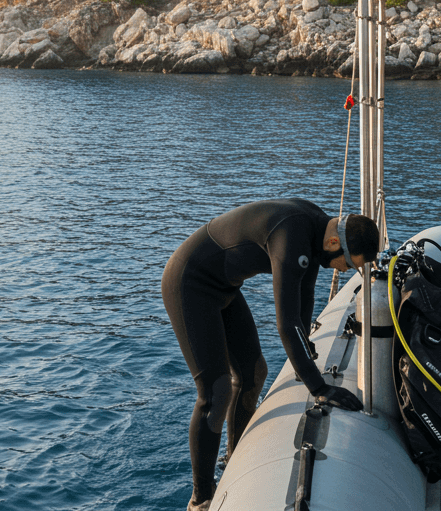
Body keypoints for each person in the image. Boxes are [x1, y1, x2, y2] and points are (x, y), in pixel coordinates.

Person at [162, 199, 380, 511]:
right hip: (189, 283)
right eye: (349, 262)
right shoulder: (293, 237)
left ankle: (233, 456)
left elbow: (303, 296)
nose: (346, 270)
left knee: (254, 374)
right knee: (216, 392)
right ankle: (200, 498)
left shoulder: (315, 231)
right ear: (334, 242)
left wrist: (307, 347)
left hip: (223, 286)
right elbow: (287, 326)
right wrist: (319, 389)